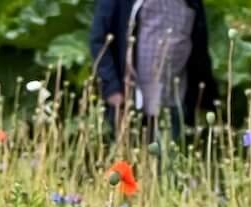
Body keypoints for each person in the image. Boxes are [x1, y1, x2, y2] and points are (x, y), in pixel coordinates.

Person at [90, 0, 217, 134]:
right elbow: (99, 40)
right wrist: (112, 88)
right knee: (129, 152)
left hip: (174, 102)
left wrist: (205, 100)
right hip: (130, 101)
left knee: (170, 151)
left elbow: (200, 50)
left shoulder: (192, 3)